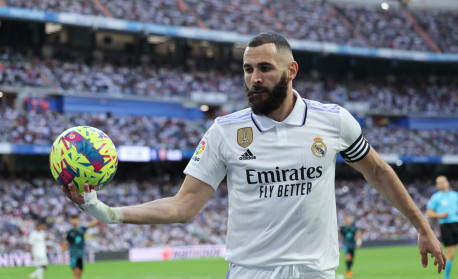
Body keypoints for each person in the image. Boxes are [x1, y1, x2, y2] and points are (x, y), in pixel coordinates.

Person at [62, 32, 446, 278]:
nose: (254, 78)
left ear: (291, 70)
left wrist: (422, 226)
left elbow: (378, 172)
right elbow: (183, 206)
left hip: (317, 273)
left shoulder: (333, 122)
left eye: (264, 68)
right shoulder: (225, 131)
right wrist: (107, 213)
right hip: (251, 272)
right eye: (248, 69)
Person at [427, 175, 458, 279]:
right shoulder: (436, 197)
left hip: (456, 224)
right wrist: (440, 215)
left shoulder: (455, 195)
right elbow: (429, 213)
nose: (442, 183)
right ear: (437, 185)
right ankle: (447, 276)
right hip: (445, 226)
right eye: (439, 182)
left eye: (443, 181)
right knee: (451, 253)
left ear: (447, 182)